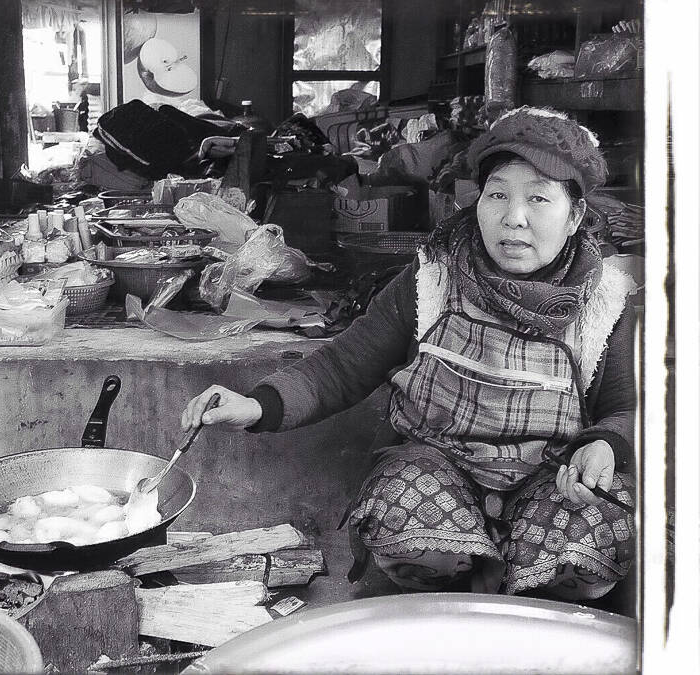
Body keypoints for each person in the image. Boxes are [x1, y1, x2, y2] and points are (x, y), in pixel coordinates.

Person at [180, 106, 638, 599]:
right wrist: (256, 405)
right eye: (498, 194)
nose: (514, 217)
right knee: (409, 525)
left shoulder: (608, 300)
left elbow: (631, 408)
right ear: (477, 200)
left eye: (539, 199)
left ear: (575, 217)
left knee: (594, 543)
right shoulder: (431, 279)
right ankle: (448, 598)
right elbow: (342, 366)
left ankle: (533, 602)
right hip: (437, 471)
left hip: (553, 478)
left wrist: (606, 445)